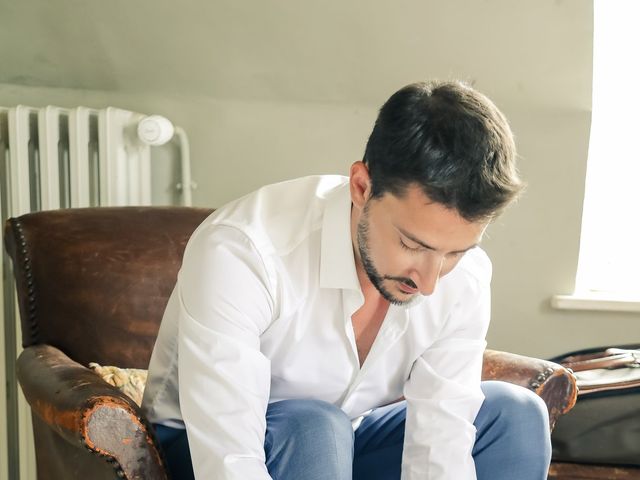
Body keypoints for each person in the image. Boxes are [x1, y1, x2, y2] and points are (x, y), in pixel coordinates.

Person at [142, 80, 552, 480]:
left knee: (512, 415)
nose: (429, 283)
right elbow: (228, 460)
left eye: (456, 252)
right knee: (315, 425)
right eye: (413, 244)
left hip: (345, 437)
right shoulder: (241, 251)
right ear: (361, 186)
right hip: (199, 446)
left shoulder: (466, 277)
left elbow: (441, 436)